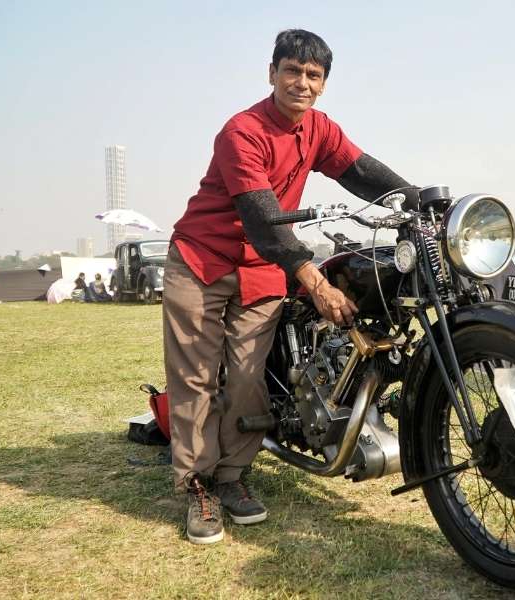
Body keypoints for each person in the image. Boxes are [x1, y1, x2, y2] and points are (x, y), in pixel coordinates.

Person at [164, 29, 413, 545]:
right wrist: (314, 281)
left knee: (248, 378)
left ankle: (232, 477)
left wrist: (420, 201)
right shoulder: (242, 131)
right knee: (196, 378)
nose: (302, 82)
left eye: (313, 75)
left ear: (323, 84)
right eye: (292, 71)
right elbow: (262, 219)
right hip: (202, 260)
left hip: (261, 267)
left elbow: (361, 172)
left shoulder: (319, 128)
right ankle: (197, 485)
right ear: (272, 73)